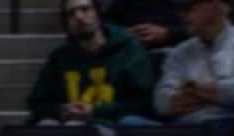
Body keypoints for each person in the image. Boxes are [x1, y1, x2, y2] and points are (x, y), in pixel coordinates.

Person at [25, 0, 154, 127]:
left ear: (98, 14)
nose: (79, 16)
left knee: (74, 127)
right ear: (66, 24)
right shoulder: (60, 57)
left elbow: (144, 103)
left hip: (113, 127)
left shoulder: (129, 50)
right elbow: (37, 103)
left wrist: (94, 111)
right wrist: (62, 110)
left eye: (85, 9)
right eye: (71, 13)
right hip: (68, 124)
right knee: (46, 126)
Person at [150, 0, 234, 126]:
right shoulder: (180, 51)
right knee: (131, 122)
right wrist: (215, 96)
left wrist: (195, 90)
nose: (182, 16)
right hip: (184, 129)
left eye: (189, 8)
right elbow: (161, 101)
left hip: (231, 126)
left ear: (216, 6)